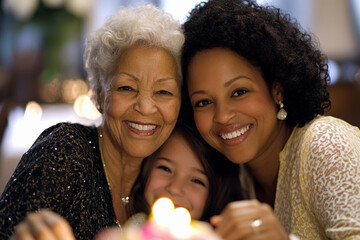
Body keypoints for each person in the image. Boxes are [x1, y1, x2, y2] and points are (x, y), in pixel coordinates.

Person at [0, 4, 184, 240]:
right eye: (127, 88)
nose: (146, 107)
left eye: (164, 92)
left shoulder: (164, 178)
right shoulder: (65, 153)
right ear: (98, 94)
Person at [180, 0, 360, 239]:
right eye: (203, 102)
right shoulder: (237, 175)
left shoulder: (326, 144)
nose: (222, 116)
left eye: (239, 92)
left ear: (277, 89)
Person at [93, 123, 245, 239]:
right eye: (165, 168)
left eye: (197, 180)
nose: (175, 188)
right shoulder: (132, 231)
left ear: (216, 192)